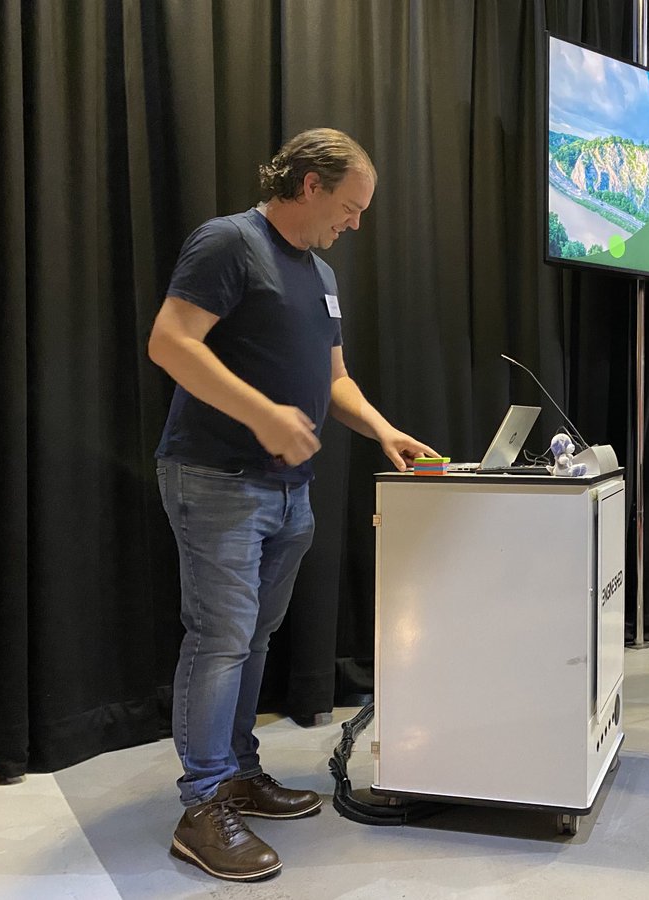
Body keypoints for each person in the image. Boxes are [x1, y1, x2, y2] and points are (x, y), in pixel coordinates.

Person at [148, 128, 437, 882]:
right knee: (221, 637)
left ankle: (238, 771)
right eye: (349, 206)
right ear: (308, 183)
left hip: (286, 491)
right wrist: (262, 415)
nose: (355, 222)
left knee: (253, 638)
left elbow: (333, 376)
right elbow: (172, 343)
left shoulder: (320, 273)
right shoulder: (227, 244)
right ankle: (203, 805)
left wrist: (382, 430)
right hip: (216, 478)